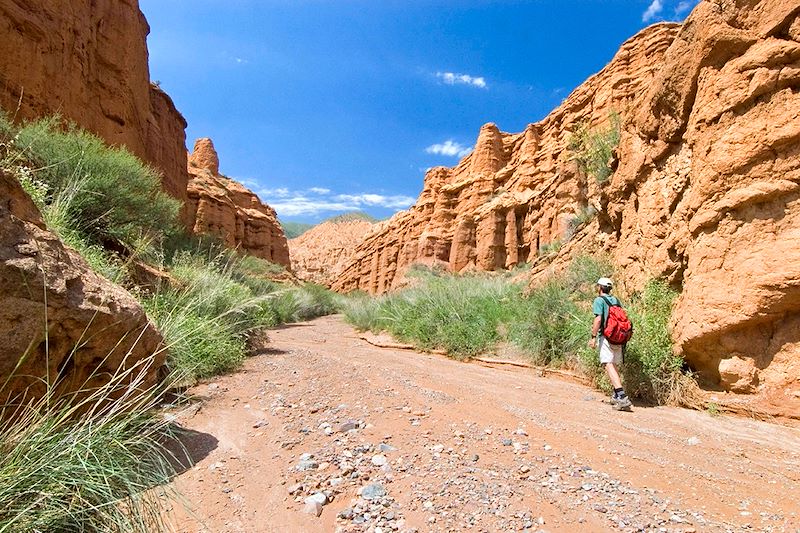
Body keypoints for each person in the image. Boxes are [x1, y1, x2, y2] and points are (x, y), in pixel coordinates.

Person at [588, 277, 632, 411]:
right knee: (613, 364)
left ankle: (622, 397)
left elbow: (598, 319)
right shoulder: (616, 300)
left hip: (607, 336)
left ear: (600, 287)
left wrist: (593, 337)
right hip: (618, 337)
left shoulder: (599, 300)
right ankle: (615, 396)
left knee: (607, 364)